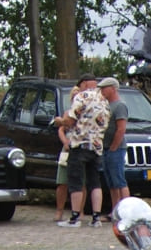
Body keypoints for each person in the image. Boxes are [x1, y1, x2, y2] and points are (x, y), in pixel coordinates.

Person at [55, 75, 110, 228]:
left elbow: (70, 121)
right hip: (97, 146)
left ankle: (74, 217)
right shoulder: (103, 100)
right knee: (95, 182)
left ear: (84, 83)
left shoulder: (81, 96)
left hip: (80, 144)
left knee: (76, 181)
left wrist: (59, 121)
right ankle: (96, 217)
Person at [99, 78, 131, 210]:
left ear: (113, 88)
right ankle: (115, 210)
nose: (102, 91)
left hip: (116, 148)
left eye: (104, 88)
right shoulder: (106, 105)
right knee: (111, 182)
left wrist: (113, 147)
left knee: (119, 180)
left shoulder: (119, 105)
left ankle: (128, 209)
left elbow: (121, 129)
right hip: (106, 148)